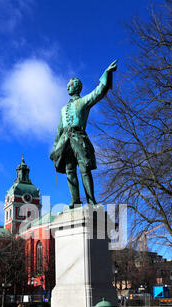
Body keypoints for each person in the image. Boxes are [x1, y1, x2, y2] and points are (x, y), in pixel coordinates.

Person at [50, 60, 118, 208]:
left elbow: (99, 92)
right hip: (65, 141)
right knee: (70, 171)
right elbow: (59, 130)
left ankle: (91, 200)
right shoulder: (63, 109)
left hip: (79, 138)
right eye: (68, 85)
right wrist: (55, 148)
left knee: (84, 169)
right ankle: (75, 201)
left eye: (71, 84)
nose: (68, 86)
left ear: (77, 87)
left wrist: (107, 73)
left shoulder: (83, 101)